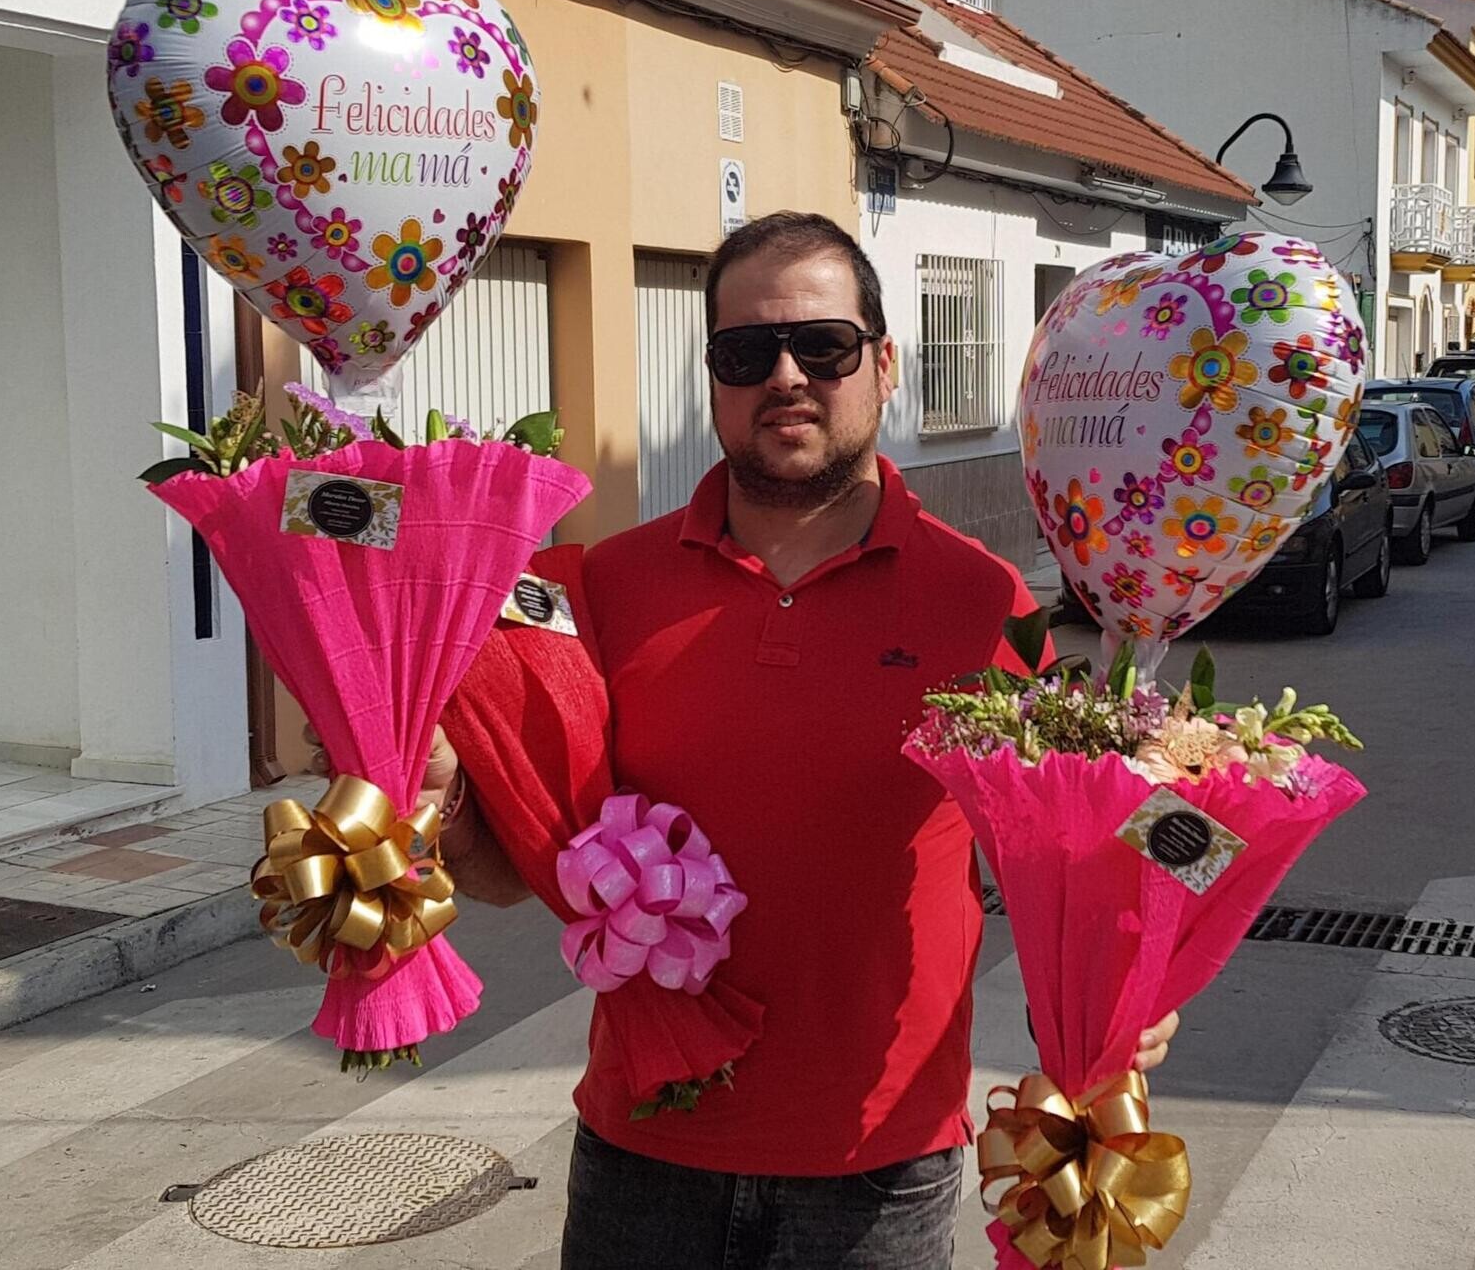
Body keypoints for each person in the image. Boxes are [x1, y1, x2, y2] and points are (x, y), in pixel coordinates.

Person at [334, 212, 1179, 1269]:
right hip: (646, 1154)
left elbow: (1095, 838)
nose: (786, 375)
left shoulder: (983, 603)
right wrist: (442, 810)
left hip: (880, 1170)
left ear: (883, 365)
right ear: (713, 377)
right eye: (746, 353)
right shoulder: (598, 587)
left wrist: (1139, 985)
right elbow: (520, 874)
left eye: (820, 345)